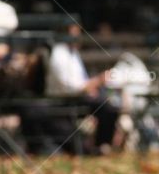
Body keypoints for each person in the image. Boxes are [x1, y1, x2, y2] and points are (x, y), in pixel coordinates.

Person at [44, 24, 120, 152]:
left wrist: (92, 87)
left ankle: (102, 146)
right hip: (63, 100)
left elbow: (81, 81)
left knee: (109, 105)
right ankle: (100, 146)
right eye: (74, 34)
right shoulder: (59, 54)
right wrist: (98, 80)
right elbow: (72, 87)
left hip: (77, 96)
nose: (78, 38)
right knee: (106, 107)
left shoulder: (73, 53)